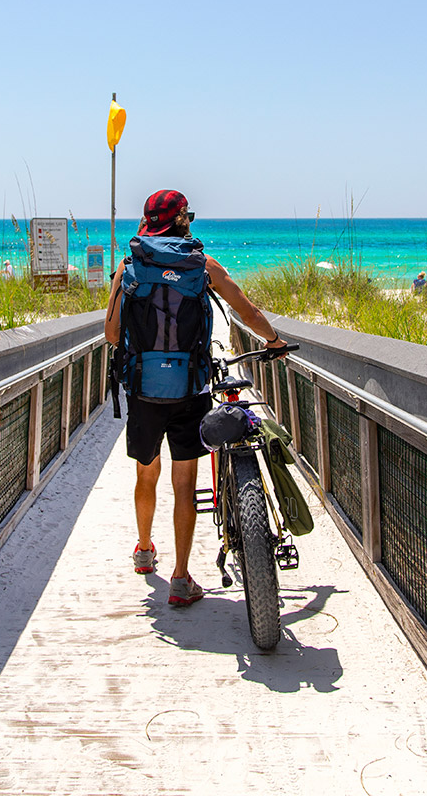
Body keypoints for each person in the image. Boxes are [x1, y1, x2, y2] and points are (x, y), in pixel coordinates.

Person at [104, 189, 288, 608]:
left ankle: (145, 550)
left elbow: (112, 335)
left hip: (145, 390)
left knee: (146, 475)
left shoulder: (128, 267)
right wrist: (274, 340)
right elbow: (246, 310)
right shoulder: (201, 265)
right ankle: (181, 578)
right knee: (184, 485)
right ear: (183, 220)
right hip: (190, 388)